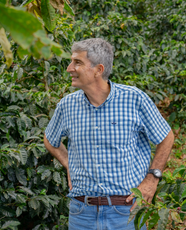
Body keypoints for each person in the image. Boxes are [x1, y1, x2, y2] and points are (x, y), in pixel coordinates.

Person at [44, 38, 174, 230]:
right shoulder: (67, 105)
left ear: (99, 69)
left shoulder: (134, 99)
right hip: (82, 213)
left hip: (125, 212)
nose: (69, 68)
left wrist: (151, 180)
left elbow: (166, 137)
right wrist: (69, 163)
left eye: (77, 62)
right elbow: (50, 139)